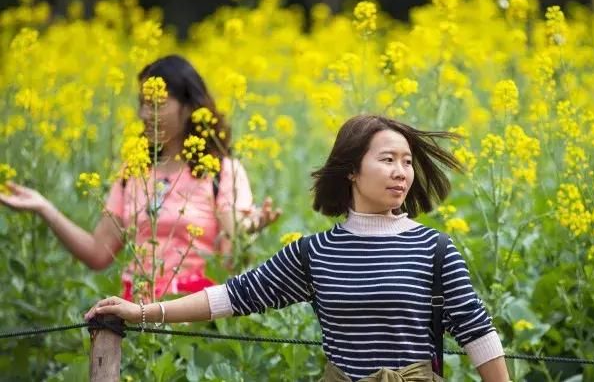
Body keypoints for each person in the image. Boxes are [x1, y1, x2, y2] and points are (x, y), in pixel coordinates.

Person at [85, 115, 511, 381]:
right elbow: (233, 297)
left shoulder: (434, 249)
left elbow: (477, 333)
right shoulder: (317, 252)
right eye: (387, 160)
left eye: (406, 162)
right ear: (351, 171)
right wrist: (141, 312)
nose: (401, 172)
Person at [0, 54, 280, 301]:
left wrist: (248, 231)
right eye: (142, 104)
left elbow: (232, 257)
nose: (145, 114)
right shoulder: (134, 171)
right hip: (137, 316)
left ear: (188, 106)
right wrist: (45, 209)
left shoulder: (221, 171)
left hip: (195, 325)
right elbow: (98, 253)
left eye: (156, 103)